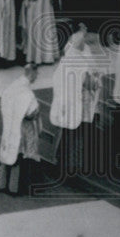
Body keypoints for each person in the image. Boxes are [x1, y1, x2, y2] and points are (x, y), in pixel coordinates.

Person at [50, 28, 103, 175]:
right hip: (77, 103)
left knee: (65, 132)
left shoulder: (68, 57)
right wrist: (96, 79)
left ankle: (59, 162)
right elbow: (89, 83)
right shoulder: (77, 60)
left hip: (66, 103)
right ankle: (71, 166)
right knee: (75, 135)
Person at [0, 64, 41, 195]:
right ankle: (15, 187)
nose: (37, 77)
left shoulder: (12, 87)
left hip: (9, 125)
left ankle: (2, 183)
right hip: (23, 127)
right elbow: (31, 113)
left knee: (9, 152)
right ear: (31, 73)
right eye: (36, 74)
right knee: (21, 154)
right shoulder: (27, 92)